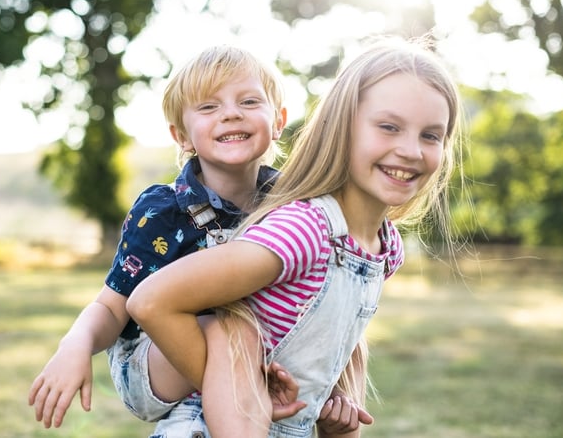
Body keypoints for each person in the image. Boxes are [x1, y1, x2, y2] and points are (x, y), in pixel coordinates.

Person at [127, 35, 466, 437]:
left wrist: (339, 404)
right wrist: (245, 392)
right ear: (342, 129)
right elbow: (151, 300)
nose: (411, 150)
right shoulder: (304, 228)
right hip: (207, 428)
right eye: (389, 127)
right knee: (232, 330)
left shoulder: (385, 248)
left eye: (431, 135)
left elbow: (343, 345)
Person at [28, 45, 367, 436]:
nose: (230, 113)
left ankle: (275, 403)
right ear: (182, 136)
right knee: (230, 327)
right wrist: (76, 344)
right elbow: (112, 307)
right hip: (152, 362)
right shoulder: (163, 210)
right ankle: (242, 406)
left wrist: (336, 387)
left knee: (303, 310)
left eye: (249, 100)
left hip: (250, 360)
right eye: (208, 107)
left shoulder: (293, 208)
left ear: (278, 122)